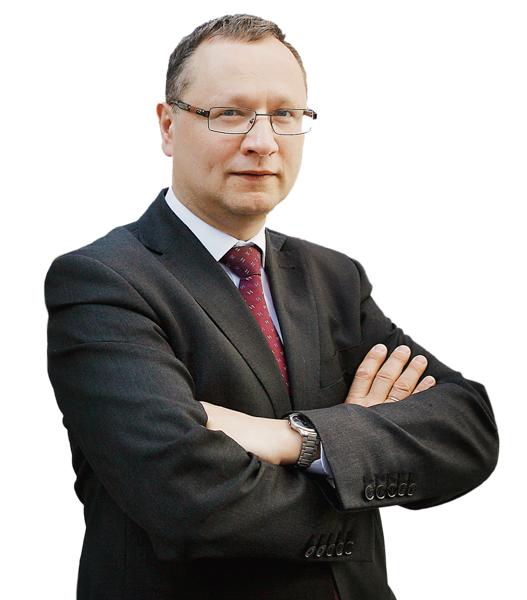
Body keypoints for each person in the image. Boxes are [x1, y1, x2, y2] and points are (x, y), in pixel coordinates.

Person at [44, 13, 499, 600]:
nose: (262, 142)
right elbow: (189, 498)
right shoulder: (103, 282)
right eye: (229, 113)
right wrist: (360, 465)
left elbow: (468, 429)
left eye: (284, 114)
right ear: (168, 126)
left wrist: (297, 439)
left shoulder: (335, 278)